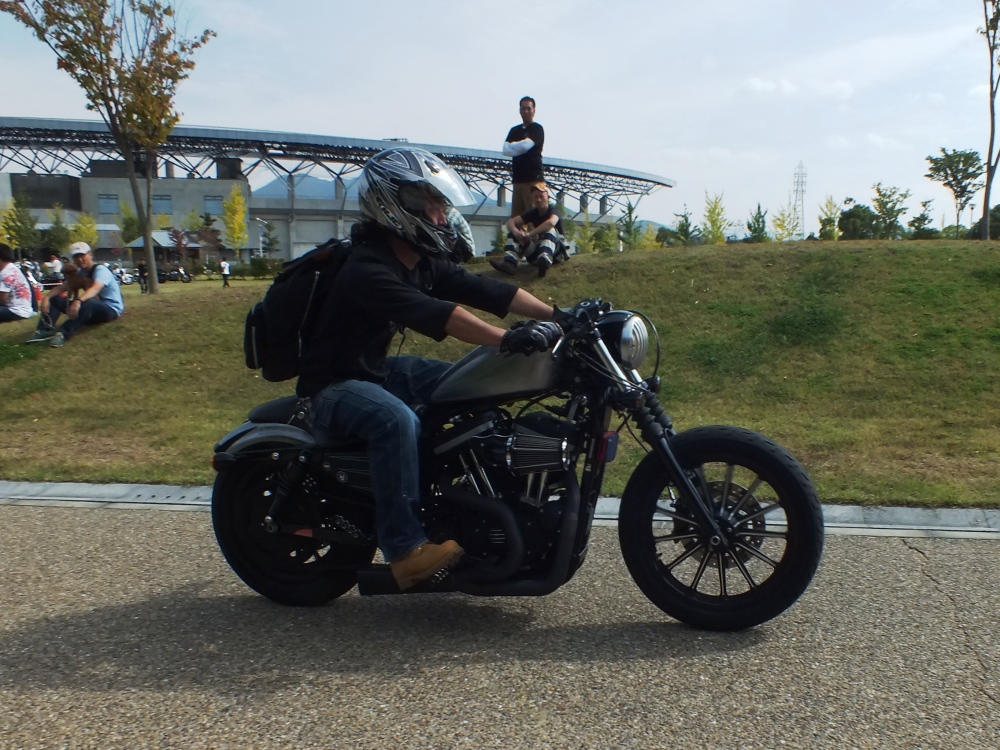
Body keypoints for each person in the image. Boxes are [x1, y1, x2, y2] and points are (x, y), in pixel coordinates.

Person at [298, 146, 560, 591]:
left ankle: (462, 502)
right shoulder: (366, 267)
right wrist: (506, 338)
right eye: (432, 204)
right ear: (395, 205)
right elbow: (442, 315)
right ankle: (405, 550)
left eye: (441, 203)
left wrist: (558, 316)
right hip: (333, 386)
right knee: (394, 419)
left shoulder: (416, 259)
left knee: (472, 384)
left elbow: (485, 290)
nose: (441, 214)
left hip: (376, 370)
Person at [26, 241, 124, 348]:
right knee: (55, 298)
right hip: (89, 310)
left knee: (90, 302)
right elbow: (62, 287)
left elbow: (95, 289)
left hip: (109, 309)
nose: (80, 259)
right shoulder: (80, 273)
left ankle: (63, 333)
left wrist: (78, 301)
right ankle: (45, 329)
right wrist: (47, 297)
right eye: (76, 257)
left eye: (82, 255)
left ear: (90, 255)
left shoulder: (101, 270)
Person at [490, 181, 566, 278]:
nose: (538, 199)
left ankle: (545, 260)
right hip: (538, 253)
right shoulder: (533, 212)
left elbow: (551, 222)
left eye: (541, 196)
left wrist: (529, 234)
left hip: (555, 254)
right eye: (535, 197)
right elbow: (510, 222)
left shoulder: (554, 211)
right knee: (515, 232)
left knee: (550, 229)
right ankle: (510, 263)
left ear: (548, 197)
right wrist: (516, 232)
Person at [503, 96, 544, 218]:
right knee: (516, 220)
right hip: (518, 181)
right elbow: (505, 150)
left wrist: (513, 147)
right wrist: (520, 147)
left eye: (529, 108)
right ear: (519, 110)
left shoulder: (537, 129)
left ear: (534, 110)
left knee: (533, 219)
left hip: (533, 181)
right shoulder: (514, 130)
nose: (526, 111)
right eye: (523, 108)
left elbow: (526, 146)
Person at [0, 243, 34, 323]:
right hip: (25, 309)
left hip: (16, 311)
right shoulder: (11, 267)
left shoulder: (6, 274)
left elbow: (2, 300)